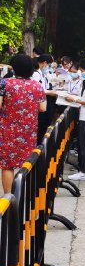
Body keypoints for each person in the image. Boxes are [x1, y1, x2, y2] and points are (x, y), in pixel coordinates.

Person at [0, 54, 47, 193]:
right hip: (28, 131)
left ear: (14, 68)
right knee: (26, 164)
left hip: (7, 131)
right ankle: (24, 196)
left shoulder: (5, 83)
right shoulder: (37, 85)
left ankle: (9, 198)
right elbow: (43, 108)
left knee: (7, 165)